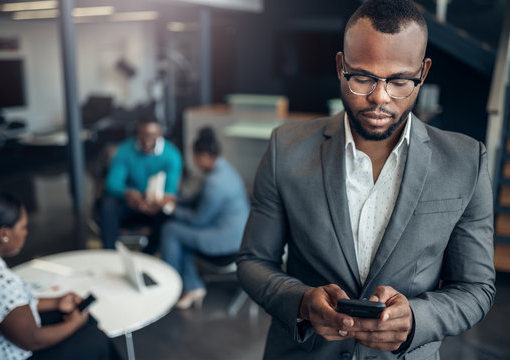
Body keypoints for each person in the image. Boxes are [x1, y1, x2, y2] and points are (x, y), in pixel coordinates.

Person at [236, 1, 496, 359]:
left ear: (423, 71)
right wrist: (301, 303)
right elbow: (253, 261)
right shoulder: (286, 148)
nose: (379, 97)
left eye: (400, 81)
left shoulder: (467, 162)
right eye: (363, 77)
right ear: (341, 66)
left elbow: (476, 287)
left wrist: (418, 319)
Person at [0, 191, 121, 360]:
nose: (26, 233)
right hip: (5, 353)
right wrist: (74, 323)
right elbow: (33, 340)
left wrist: (57, 301)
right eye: (23, 227)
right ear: (4, 234)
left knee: (86, 321)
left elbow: (7, 308)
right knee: (96, 340)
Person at [161, 127, 250, 309]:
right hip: (239, 234)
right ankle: (192, 286)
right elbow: (200, 201)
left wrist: (170, 208)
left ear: (203, 156)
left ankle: (171, 288)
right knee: (181, 234)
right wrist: (177, 200)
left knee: (170, 230)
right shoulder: (225, 169)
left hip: (227, 243)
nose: (194, 161)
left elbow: (198, 220)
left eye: (194, 156)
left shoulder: (214, 183)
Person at [100, 113, 183, 252]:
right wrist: (127, 193)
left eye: (152, 135)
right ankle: (110, 253)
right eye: (143, 135)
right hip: (131, 203)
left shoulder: (172, 155)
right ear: (137, 133)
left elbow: (171, 191)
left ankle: (149, 255)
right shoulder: (125, 150)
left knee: (170, 214)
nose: (146, 140)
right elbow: (112, 183)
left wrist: (156, 203)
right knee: (108, 205)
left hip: (156, 206)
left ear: (160, 133)